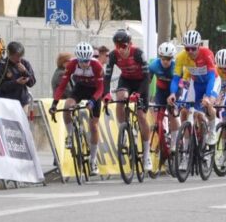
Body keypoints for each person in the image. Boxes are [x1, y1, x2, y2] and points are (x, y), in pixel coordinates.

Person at [50, 42, 105, 175]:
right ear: (77, 58)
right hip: (80, 88)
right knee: (68, 106)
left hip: (94, 91)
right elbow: (62, 86)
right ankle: (69, 135)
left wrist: (92, 101)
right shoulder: (72, 64)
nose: (85, 63)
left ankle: (92, 161)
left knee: (94, 127)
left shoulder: (96, 65)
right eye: (82, 61)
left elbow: (100, 88)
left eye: (87, 60)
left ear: (90, 58)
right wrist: (54, 104)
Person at [104, 29, 152, 169]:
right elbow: (107, 77)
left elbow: (147, 77)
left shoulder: (138, 53)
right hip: (126, 80)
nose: (120, 50)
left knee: (141, 116)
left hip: (141, 82)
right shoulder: (113, 56)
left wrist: (138, 94)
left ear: (130, 44)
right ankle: (123, 130)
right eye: (117, 46)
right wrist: (106, 94)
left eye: (123, 46)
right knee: (120, 99)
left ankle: (147, 156)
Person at [168, 30, 218, 147]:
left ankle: (211, 132)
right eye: (187, 48)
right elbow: (176, 78)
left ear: (199, 46)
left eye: (193, 48)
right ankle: (186, 149)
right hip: (196, 84)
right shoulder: (181, 57)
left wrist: (207, 95)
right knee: (185, 111)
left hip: (212, 82)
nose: (190, 51)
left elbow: (211, 76)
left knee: (208, 104)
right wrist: (172, 94)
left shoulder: (207, 53)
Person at [0, 41, 36, 113]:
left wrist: (24, 71)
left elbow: (32, 82)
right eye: (17, 56)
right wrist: (16, 82)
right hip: (6, 103)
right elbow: (0, 86)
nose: (19, 59)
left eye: (21, 56)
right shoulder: (1, 65)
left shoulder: (25, 63)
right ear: (9, 54)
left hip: (22, 102)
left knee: (21, 123)